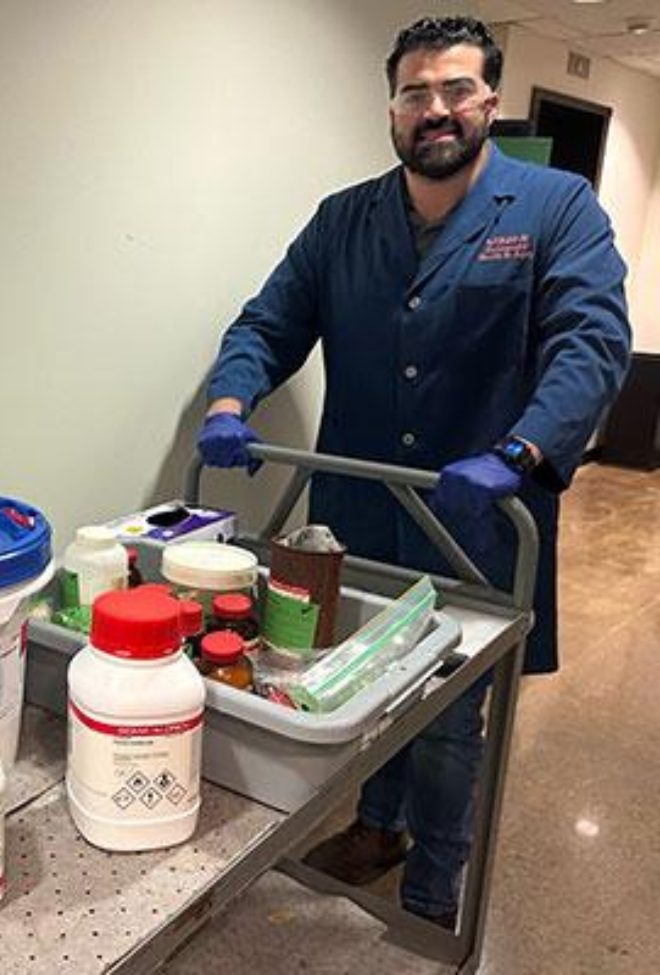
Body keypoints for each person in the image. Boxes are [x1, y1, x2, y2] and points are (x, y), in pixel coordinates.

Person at [196, 15, 631, 929]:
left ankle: (437, 881)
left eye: (455, 90)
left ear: (490, 101)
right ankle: (378, 826)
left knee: (444, 711)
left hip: (472, 516)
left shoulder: (554, 209)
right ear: (393, 106)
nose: (435, 109)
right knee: (357, 676)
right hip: (354, 511)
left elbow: (590, 344)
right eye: (415, 93)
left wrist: (520, 450)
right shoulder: (342, 218)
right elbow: (267, 323)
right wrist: (231, 403)